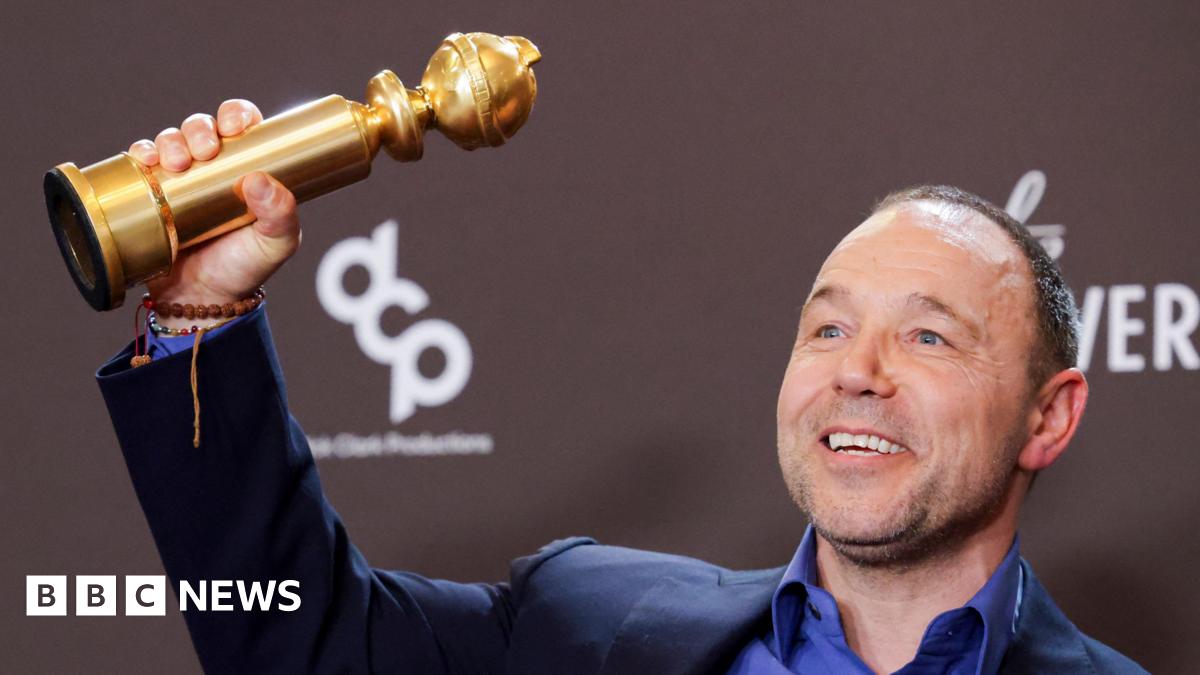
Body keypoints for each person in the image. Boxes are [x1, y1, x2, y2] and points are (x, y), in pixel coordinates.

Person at [97, 100, 1147, 674]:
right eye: (827, 327)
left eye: (926, 336)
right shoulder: (585, 622)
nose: (855, 375)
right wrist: (202, 312)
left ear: (1048, 417)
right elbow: (295, 639)